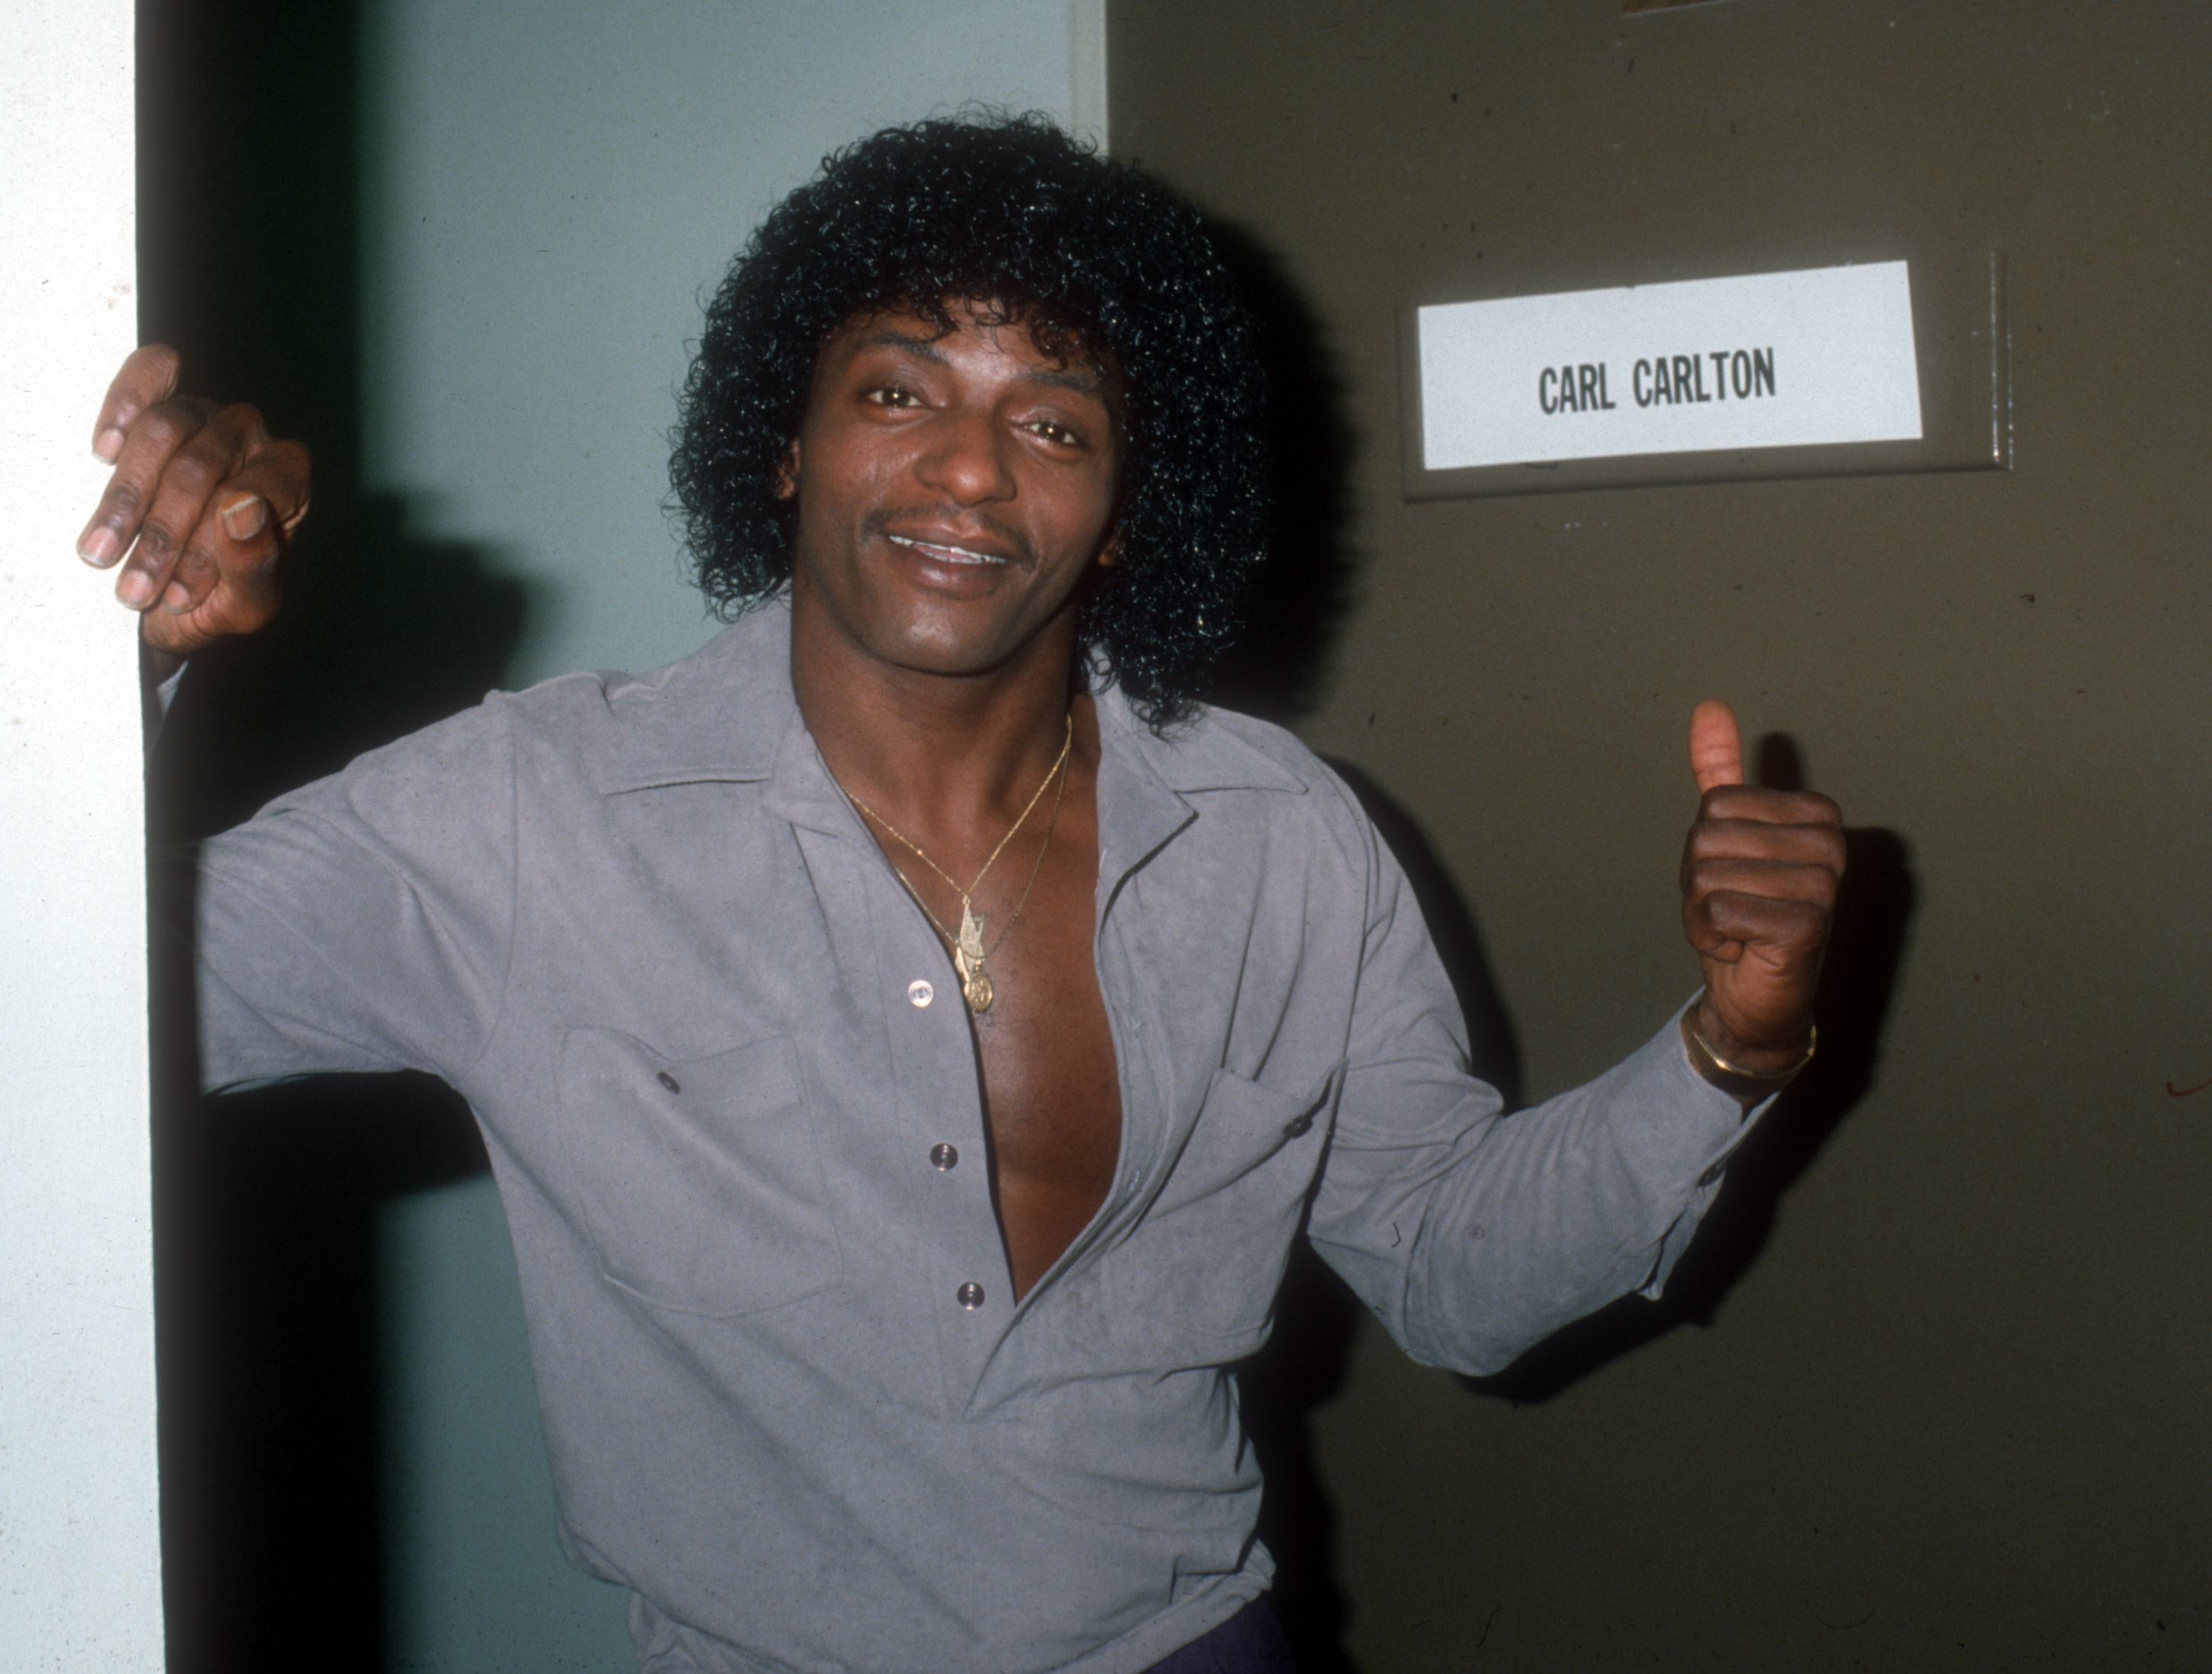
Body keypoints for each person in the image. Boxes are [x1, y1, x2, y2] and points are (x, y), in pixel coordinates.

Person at [77, 115, 1842, 1674]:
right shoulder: (526, 819)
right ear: (785, 444)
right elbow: (79, 1005)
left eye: (1054, 419)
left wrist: (1729, 1047)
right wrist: (127, 663)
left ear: (1130, 511)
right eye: (901, 388)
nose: (972, 467)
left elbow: (1457, 1277)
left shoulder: (1279, 836)